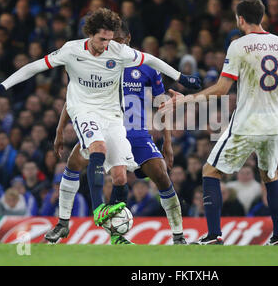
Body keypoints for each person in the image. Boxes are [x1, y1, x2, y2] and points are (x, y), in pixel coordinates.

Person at [0, 8, 200, 239]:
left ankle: (138, 235)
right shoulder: (72, 51)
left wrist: (182, 79)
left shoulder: (125, 56)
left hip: (123, 123)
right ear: (91, 34)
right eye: (104, 39)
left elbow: (155, 71)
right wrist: (4, 86)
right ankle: (82, 215)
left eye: (114, 40)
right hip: (86, 113)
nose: (109, 45)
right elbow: (40, 71)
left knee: (131, 176)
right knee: (86, 155)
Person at [161, 0, 278, 245]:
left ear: (240, 19)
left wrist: (185, 101)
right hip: (274, 124)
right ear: (262, 17)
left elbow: (221, 89)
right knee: (270, 175)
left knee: (210, 171)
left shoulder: (238, 46)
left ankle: (214, 234)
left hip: (247, 122)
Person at [44, 21, 188, 245]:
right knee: (73, 165)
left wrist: (167, 142)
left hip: (136, 133)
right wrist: (60, 128)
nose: (112, 47)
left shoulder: (146, 67)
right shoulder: (97, 63)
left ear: (128, 40)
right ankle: (64, 223)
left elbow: (163, 105)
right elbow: (76, 97)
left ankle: (178, 236)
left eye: (118, 42)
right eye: (109, 42)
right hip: (104, 127)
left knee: (161, 177)